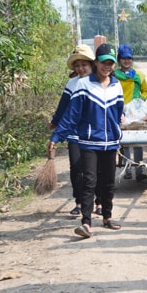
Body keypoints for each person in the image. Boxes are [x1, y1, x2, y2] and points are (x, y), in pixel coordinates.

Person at [48, 43, 124, 238]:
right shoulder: (83, 85)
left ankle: (107, 217)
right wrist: (56, 136)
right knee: (89, 180)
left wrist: (118, 131)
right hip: (89, 142)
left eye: (111, 63)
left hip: (111, 143)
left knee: (108, 182)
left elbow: (118, 112)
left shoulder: (117, 86)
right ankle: (86, 223)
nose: (107, 66)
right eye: (104, 62)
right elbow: (71, 116)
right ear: (96, 63)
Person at [48, 44, 102, 217]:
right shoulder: (72, 83)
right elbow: (63, 107)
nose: (80, 68)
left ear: (92, 64)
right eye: (77, 65)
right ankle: (79, 201)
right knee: (76, 168)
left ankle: (99, 201)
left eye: (83, 64)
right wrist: (55, 123)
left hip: (95, 132)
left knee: (97, 169)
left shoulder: (100, 81)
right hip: (74, 133)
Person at [114, 44, 147, 182]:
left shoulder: (139, 76)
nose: (126, 61)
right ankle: (127, 169)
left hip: (136, 113)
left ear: (132, 59)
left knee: (138, 142)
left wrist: (139, 101)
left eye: (129, 58)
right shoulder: (114, 76)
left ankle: (139, 170)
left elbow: (145, 91)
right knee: (125, 142)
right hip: (120, 112)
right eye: (123, 58)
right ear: (119, 60)